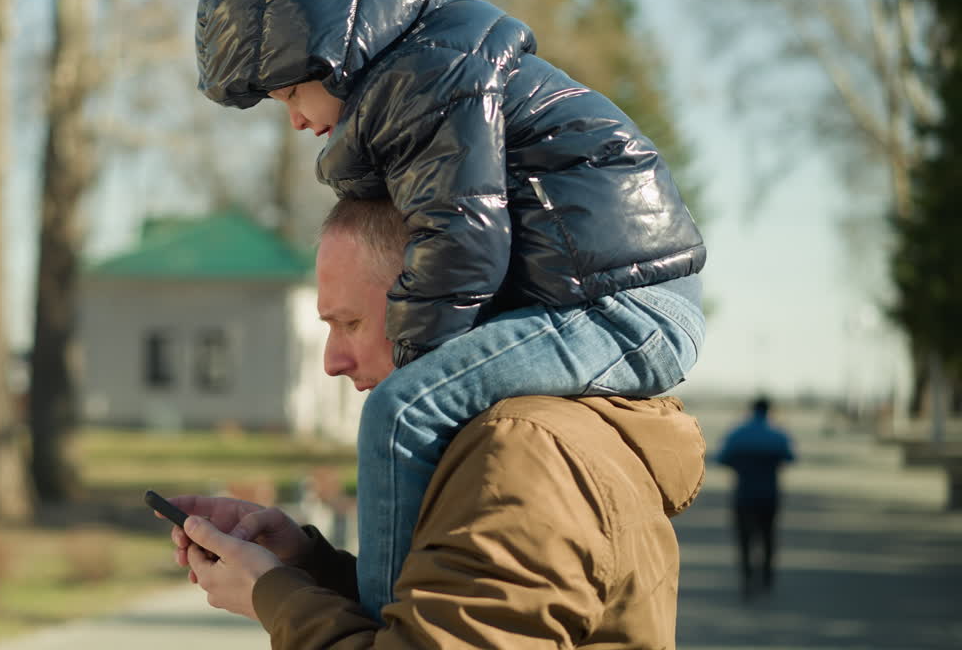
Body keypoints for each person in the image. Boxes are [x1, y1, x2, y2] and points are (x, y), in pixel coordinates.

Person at [195, 0, 707, 616]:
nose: (293, 120)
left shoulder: (430, 82)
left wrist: (411, 363)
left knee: (403, 411)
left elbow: (462, 244)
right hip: (621, 298)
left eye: (290, 92)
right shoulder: (430, 80)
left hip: (624, 307)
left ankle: (385, 617)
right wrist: (305, 569)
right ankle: (388, 598)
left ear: (336, 54)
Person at [159, 198, 707, 648]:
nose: (332, 361)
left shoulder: (526, 454)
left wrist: (272, 593)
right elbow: (437, 620)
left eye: (349, 323)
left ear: (450, 306)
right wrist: (305, 566)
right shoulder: (528, 436)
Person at [715, 395, 795, 599]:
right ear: (769, 410)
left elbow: (722, 458)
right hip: (769, 494)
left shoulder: (738, 433)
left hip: (744, 494)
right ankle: (767, 577)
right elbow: (790, 457)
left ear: (751, 409)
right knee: (768, 536)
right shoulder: (778, 434)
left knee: (744, 538)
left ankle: (747, 576)